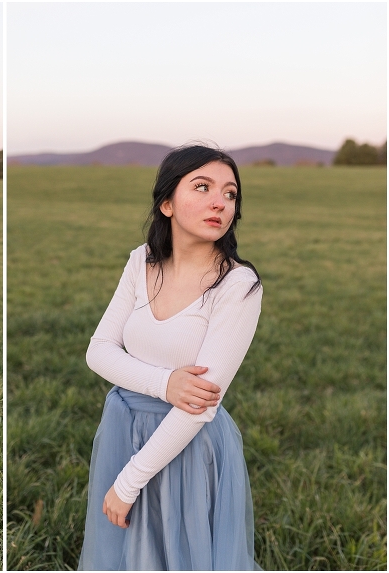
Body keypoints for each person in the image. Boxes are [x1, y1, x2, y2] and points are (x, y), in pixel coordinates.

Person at [79, 145, 263, 570]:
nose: (220, 202)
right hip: (122, 428)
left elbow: (199, 405)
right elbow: (99, 351)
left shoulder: (239, 285)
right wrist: (164, 383)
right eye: (203, 187)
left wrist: (128, 482)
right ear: (167, 203)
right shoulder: (140, 262)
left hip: (188, 445)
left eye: (231, 194)